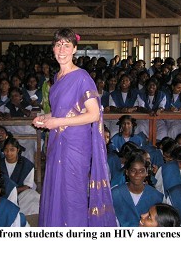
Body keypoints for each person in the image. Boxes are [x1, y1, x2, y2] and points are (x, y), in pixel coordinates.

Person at [32, 28, 116, 227]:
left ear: (74, 49)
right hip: (57, 141)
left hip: (76, 144)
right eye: (58, 45)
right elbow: (62, 112)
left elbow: (93, 114)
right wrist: (45, 118)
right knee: (56, 189)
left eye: (67, 45)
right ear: (53, 49)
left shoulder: (82, 77)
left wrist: (57, 122)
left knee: (72, 194)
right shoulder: (57, 78)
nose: (62, 50)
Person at [112, 153, 163, 227]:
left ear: (146, 173)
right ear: (127, 172)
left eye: (141, 171)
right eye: (133, 170)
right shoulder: (115, 194)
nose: (137, 174)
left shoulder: (156, 197)